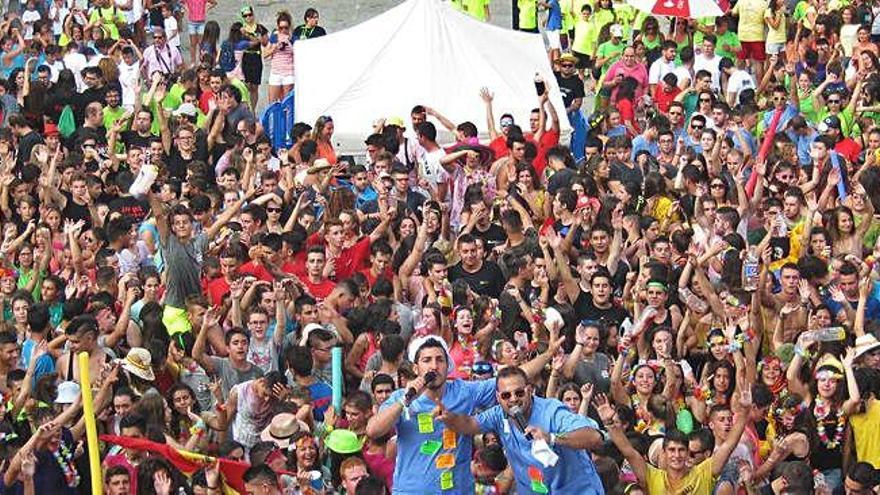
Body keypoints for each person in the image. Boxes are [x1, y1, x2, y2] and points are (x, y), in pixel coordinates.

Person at [437, 366, 605, 493]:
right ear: (498, 397)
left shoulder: (552, 411)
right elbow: (468, 424)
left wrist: (552, 438)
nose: (513, 399)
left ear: (529, 390)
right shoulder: (498, 415)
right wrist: (449, 418)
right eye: (506, 395)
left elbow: (594, 438)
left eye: (519, 393)